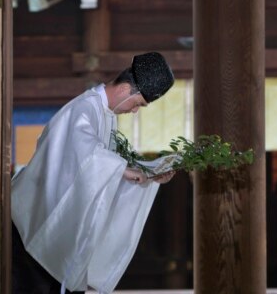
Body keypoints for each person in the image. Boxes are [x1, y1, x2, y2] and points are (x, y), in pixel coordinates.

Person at [11, 52, 176, 293]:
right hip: (35, 225)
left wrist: (150, 174)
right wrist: (122, 170)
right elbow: (84, 149)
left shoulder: (106, 117)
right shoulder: (83, 108)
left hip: (57, 233)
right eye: (138, 103)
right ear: (125, 89)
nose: (135, 111)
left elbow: (104, 168)